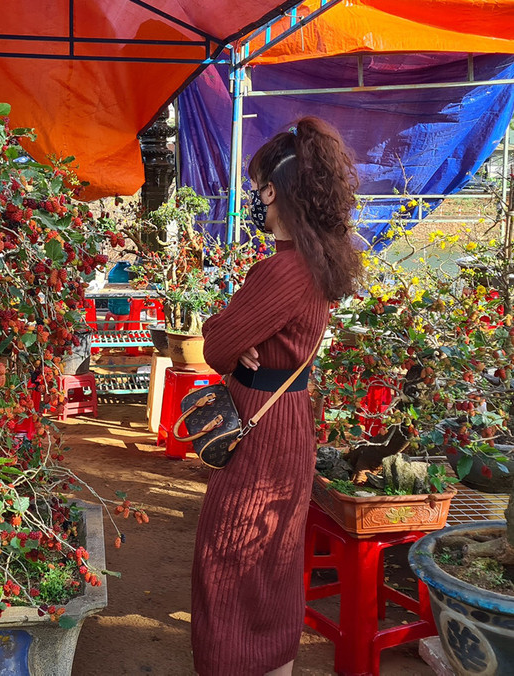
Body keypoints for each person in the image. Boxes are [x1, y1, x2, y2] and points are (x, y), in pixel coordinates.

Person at [191, 117, 363, 676]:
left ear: (278, 192)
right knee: (273, 558)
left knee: (230, 556)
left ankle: (237, 664)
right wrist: (239, 336)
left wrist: (233, 338)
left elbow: (214, 344)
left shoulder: (279, 270)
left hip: (258, 432)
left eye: (260, 187)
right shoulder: (316, 263)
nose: (256, 200)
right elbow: (230, 337)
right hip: (288, 421)